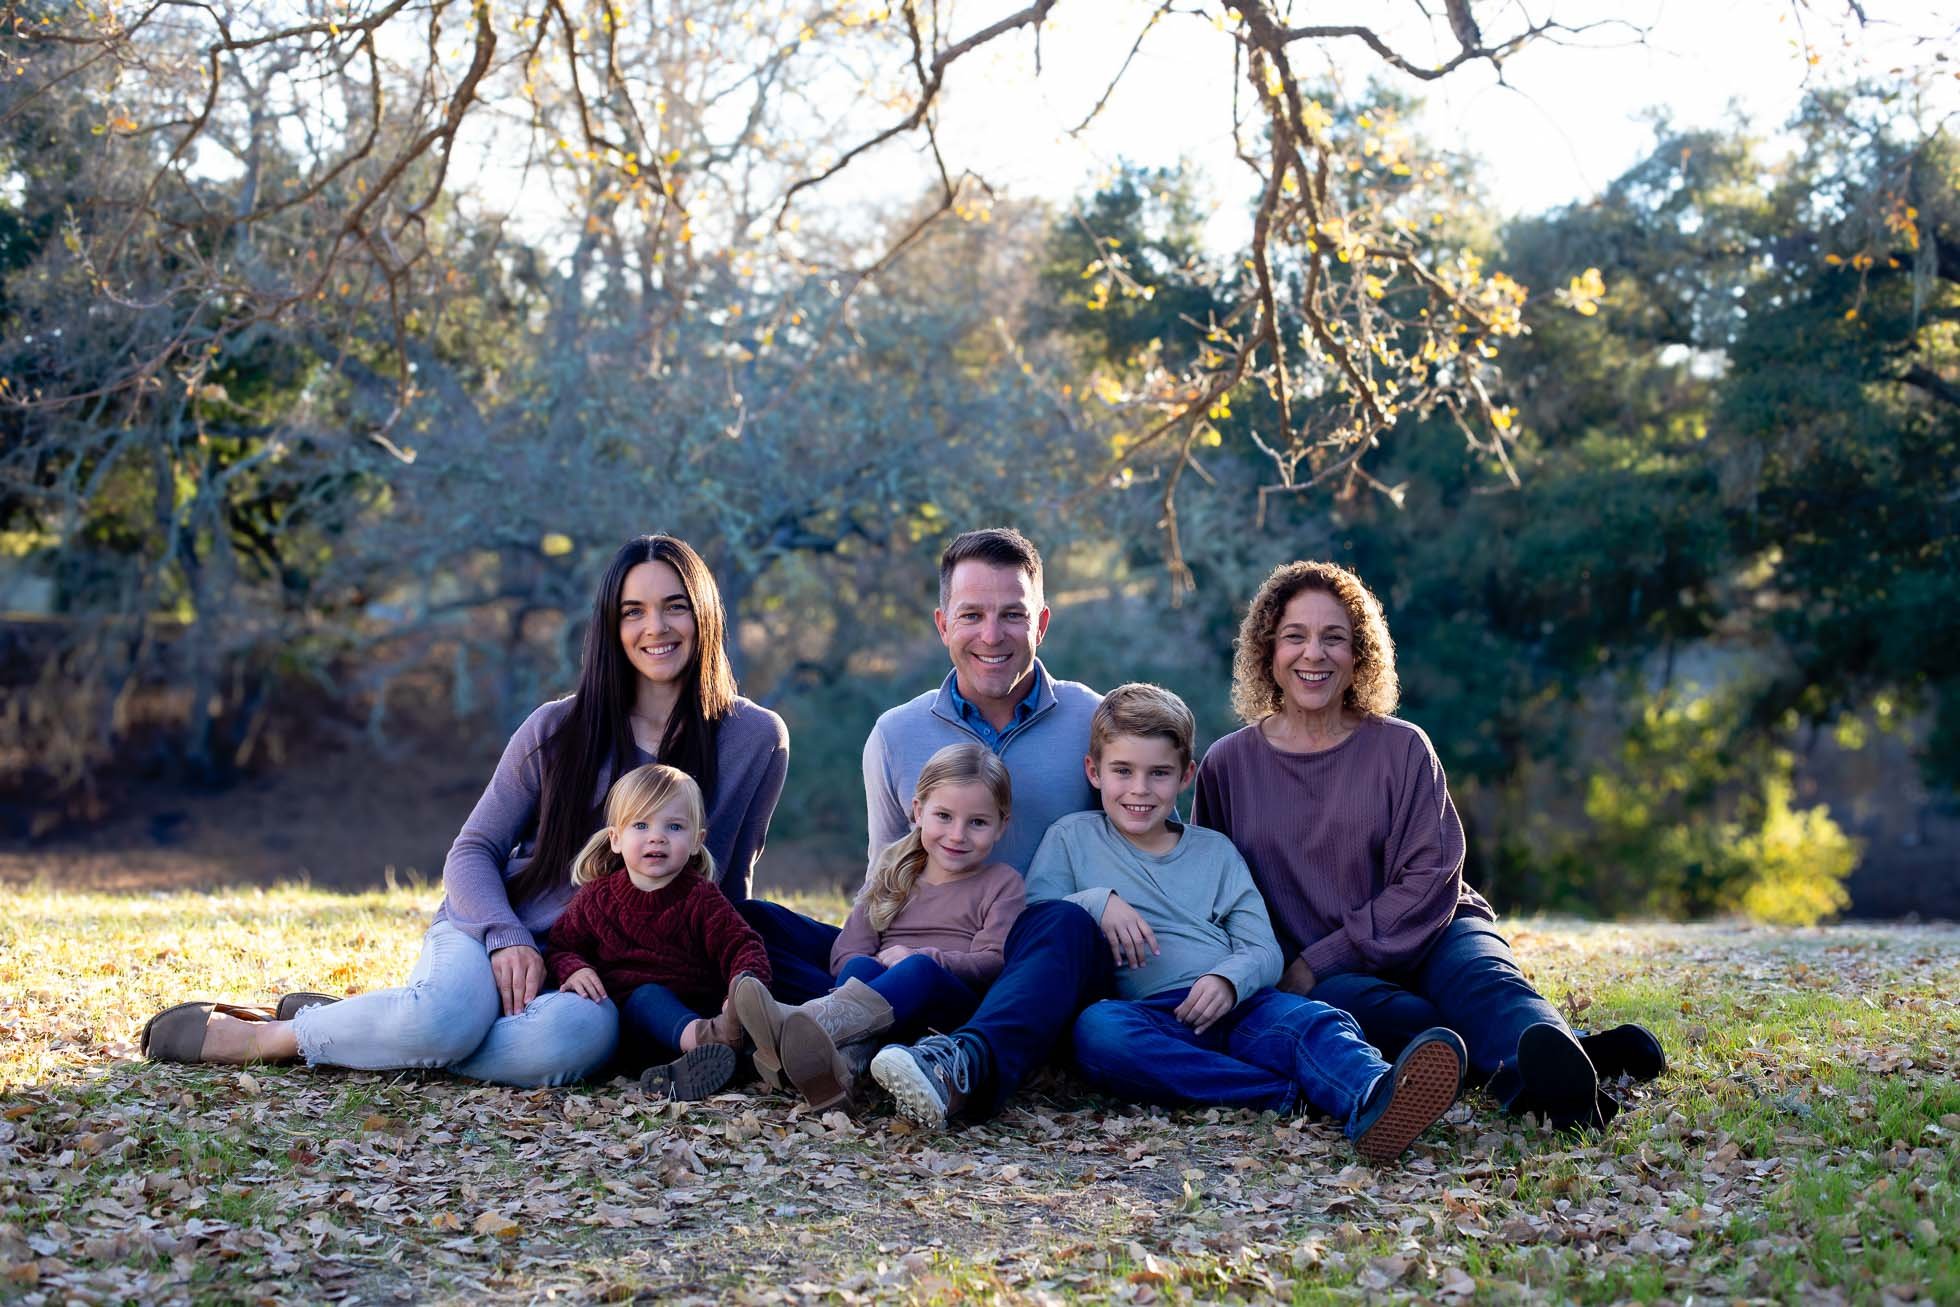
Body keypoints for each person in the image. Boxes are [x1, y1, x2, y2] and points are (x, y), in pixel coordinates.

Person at [141, 535, 790, 1087]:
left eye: (675, 606)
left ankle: (386, 1023)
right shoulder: (556, 728)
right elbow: (473, 848)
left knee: (566, 1046)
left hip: (595, 974)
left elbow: (726, 882)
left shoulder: (755, 738)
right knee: (447, 1018)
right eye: (634, 611)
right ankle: (275, 1037)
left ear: (704, 615)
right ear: (611, 625)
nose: (656, 627)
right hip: (493, 925)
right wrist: (507, 936)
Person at [1191, 560, 1665, 1130]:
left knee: (1486, 983)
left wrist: (1320, 960)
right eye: (1295, 636)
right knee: (1382, 1020)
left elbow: (1429, 877)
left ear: (1359, 653)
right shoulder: (1228, 764)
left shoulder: (1402, 747)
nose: (1313, 654)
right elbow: (1215, 885)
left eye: (1333, 638)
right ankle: (1566, 1052)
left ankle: (1561, 1083)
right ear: (1268, 650)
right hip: (1332, 977)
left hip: (1436, 932)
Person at [741, 527, 1110, 1128]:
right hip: (908, 955)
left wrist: (1105, 902)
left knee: (1064, 923)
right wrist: (877, 954)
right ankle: (831, 1041)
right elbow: (886, 877)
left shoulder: (1092, 720)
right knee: (751, 922)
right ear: (943, 625)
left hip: (1026, 966)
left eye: (1011, 615)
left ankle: (958, 1062)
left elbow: (1151, 844)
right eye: (972, 615)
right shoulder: (895, 734)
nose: (992, 635)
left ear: (1041, 624)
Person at [1023, 684, 1466, 1162]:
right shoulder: (1071, 838)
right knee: (1098, 1032)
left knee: (1312, 1022)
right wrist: (1097, 901)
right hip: (1151, 1017)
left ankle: (1374, 1093)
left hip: (1240, 1007)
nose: (1139, 789)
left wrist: (1228, 980)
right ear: (1094, 771)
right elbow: (1036, 917)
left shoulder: (1214, 851)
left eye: (1158, 774)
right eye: (1122, 771)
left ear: (1185, 776)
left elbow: (1262, 948)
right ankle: (1279, 1093)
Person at [733, 743, 1024, 1110]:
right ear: (918, 812)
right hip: (880, 1010)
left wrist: (918, 957)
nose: (957, 835)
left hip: (947, 1012)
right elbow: (845, 955)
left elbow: (993, 961)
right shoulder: (893, 874)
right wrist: (883, 969)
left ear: (1002, 825)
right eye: (944, 816)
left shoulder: (1002, 882)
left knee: (919, 969)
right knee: (858, 965)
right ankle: (840, 1071)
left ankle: (802, 1021)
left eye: (977, 822)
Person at [549, 763, 769, 1099]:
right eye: (641, 824)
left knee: (734, 1008)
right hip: (630, 1028)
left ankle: (696, 1066)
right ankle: (711, 1044)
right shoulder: (597, 898)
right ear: (616, 839)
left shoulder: (701, 897)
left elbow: (742, 945)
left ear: (697, 841)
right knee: (646, 996)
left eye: (675, 826)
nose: (657, 836)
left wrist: (740, 994)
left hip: (698, 1012)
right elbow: (561, 945)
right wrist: (574, 967)